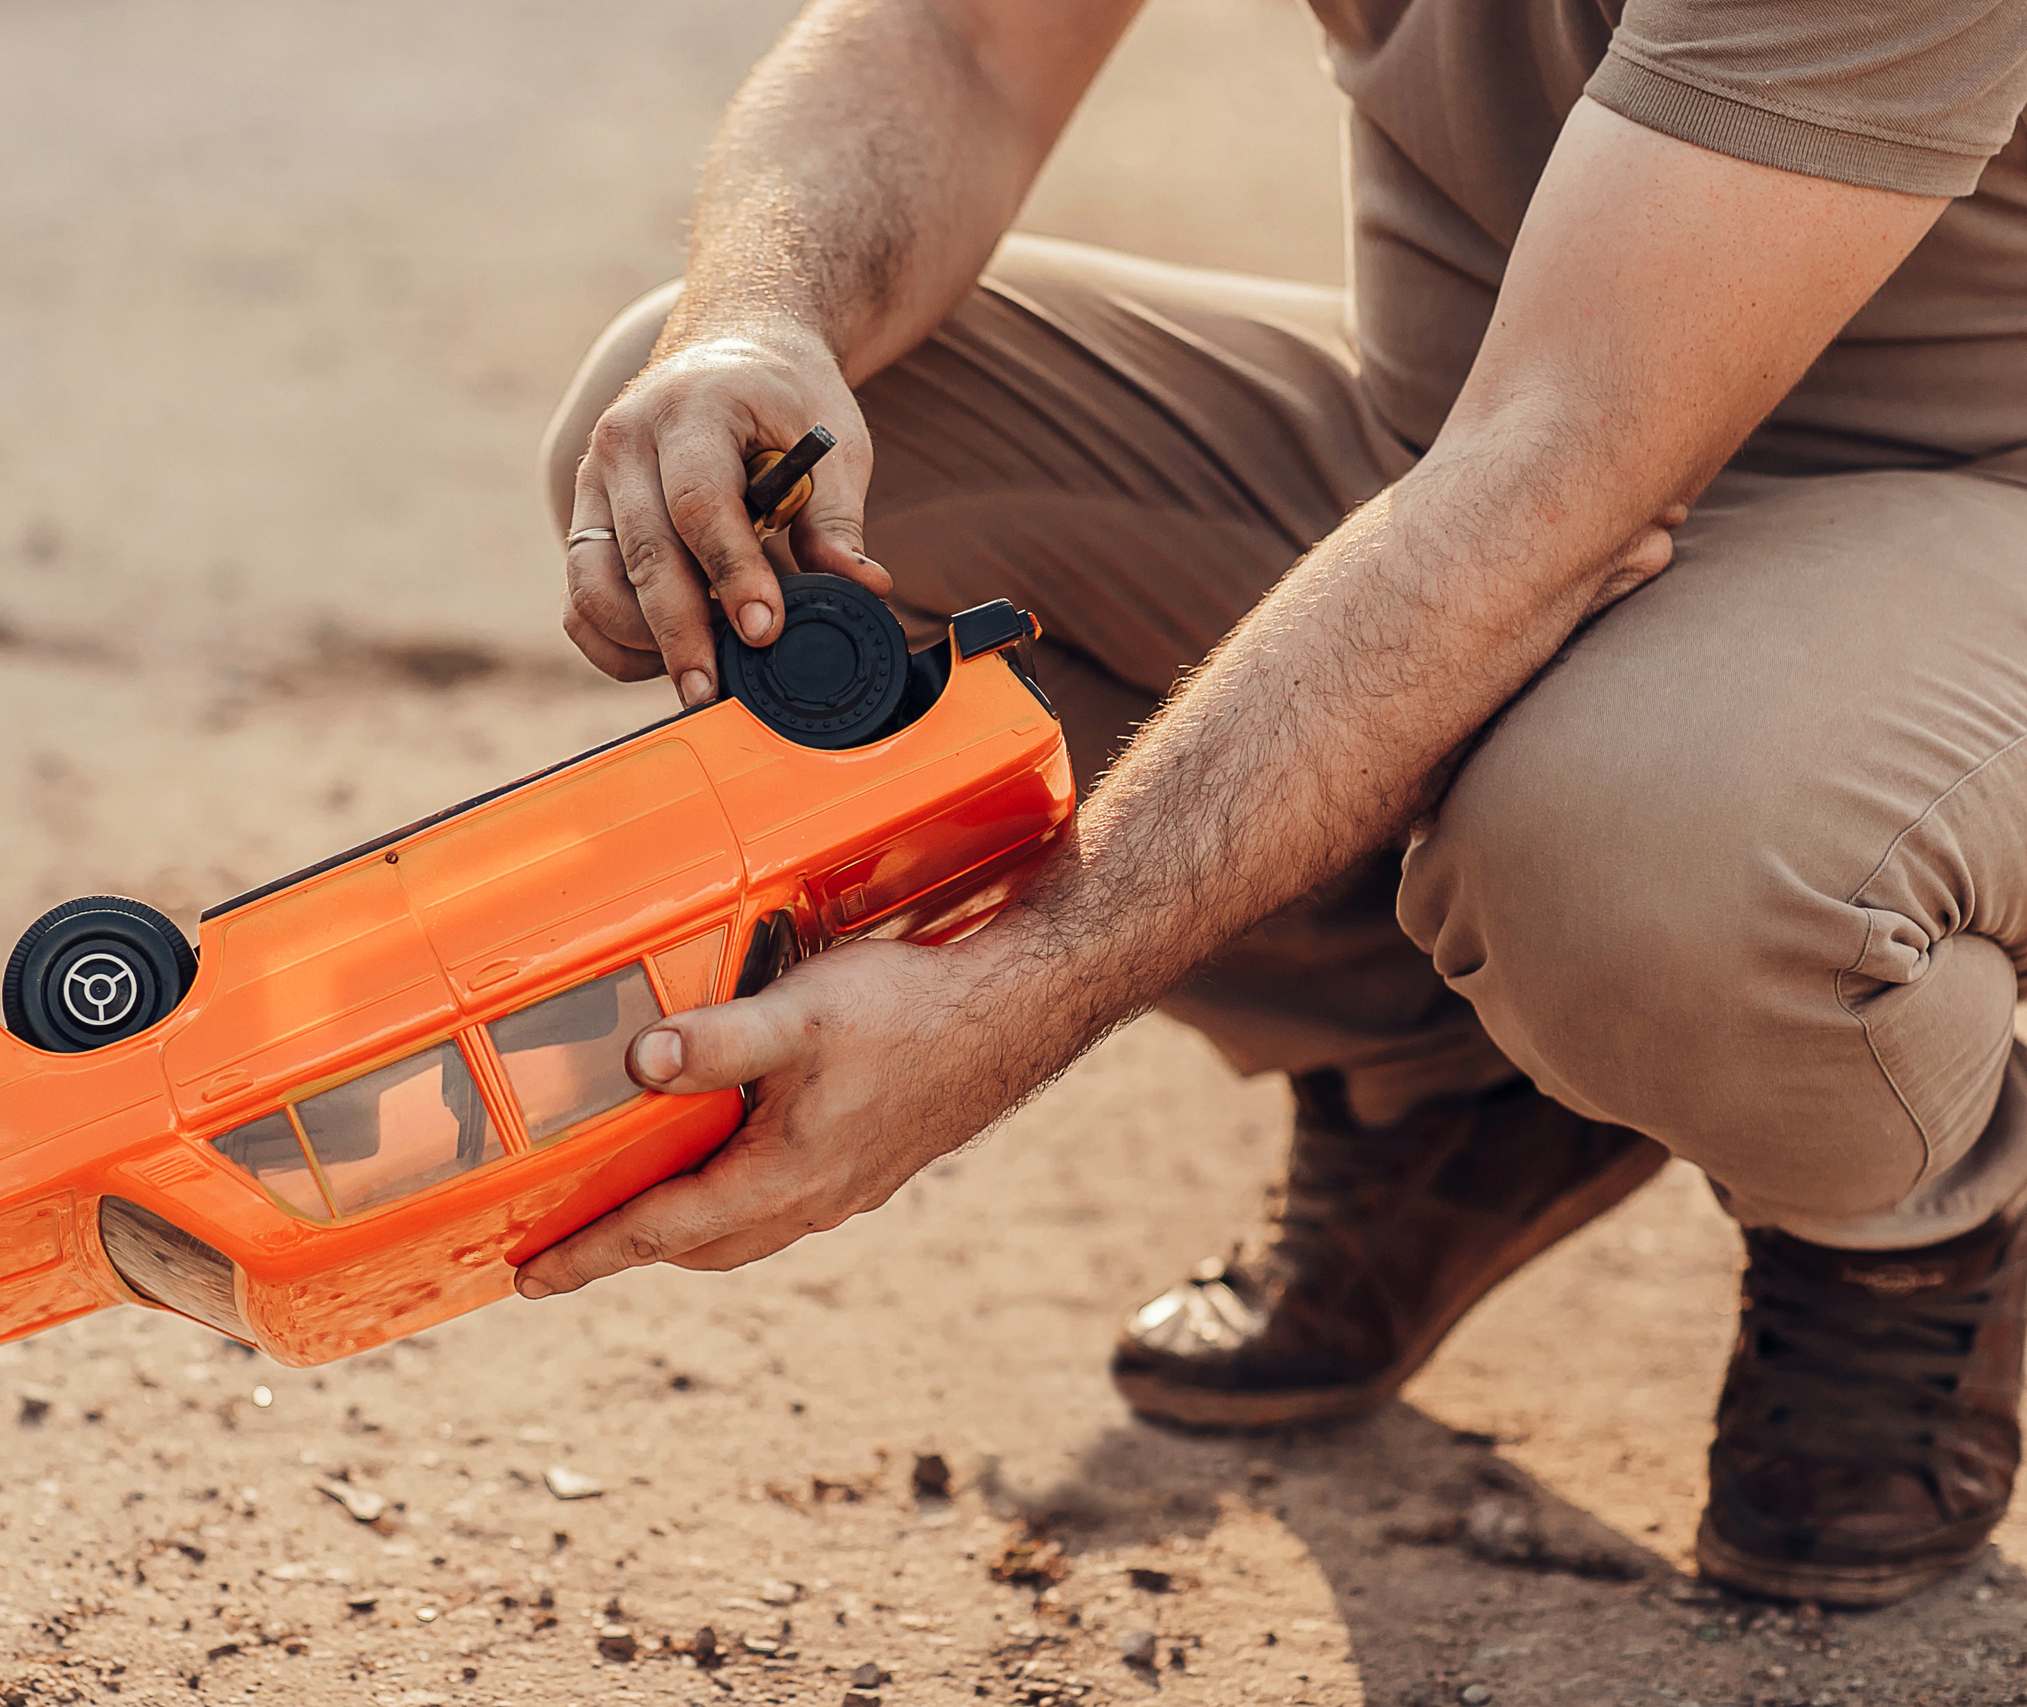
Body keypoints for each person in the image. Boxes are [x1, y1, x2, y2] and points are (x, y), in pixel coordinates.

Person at [519, 0, 2027, 1608]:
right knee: (724, 471)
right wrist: (757, 319)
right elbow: (955, 42)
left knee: (1639, 839)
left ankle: (1901, 1233)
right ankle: (1426, 1065)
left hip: (1941, 506)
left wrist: (1005, 1002)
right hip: (1480, 435)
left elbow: (1555, 482)